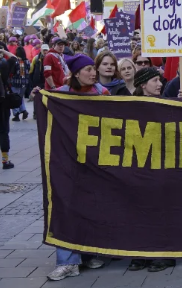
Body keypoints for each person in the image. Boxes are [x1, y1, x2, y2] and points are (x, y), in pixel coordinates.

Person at [47, 54, 107, 281]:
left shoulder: (102, 93)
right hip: (68, 161)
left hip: (96, 161)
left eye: (94, 69)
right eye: (88, 69)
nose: (93, 73)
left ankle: (89, 254)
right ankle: (67, 262)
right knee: (66, 206)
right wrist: (40, 97)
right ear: (76, 73)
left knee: (92, 206)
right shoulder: (61, 94)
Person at [126, 66, 177, 272]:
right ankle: (140, 253)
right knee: (138, 210)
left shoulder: (166, 103)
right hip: (138, 167)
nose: (160, 84)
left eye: (160, 80)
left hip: (162, 167)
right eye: (155, 81)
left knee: (160, 209)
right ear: (143, 85)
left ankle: (163, 254)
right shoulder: (128, 106)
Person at [0, 46, 17, 169]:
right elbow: (14, 58)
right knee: (3, 131)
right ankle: (5, 161)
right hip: (2, 102)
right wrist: (2, 51)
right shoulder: (3, 65)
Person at [10, 47, 30, 121]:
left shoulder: (18, 61)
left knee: (15, 98)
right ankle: (23, 110)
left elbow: (19, 73)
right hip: (24, 83)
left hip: (16, 83)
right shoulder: (27, 61)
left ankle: (16, 114)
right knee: (20, 98)